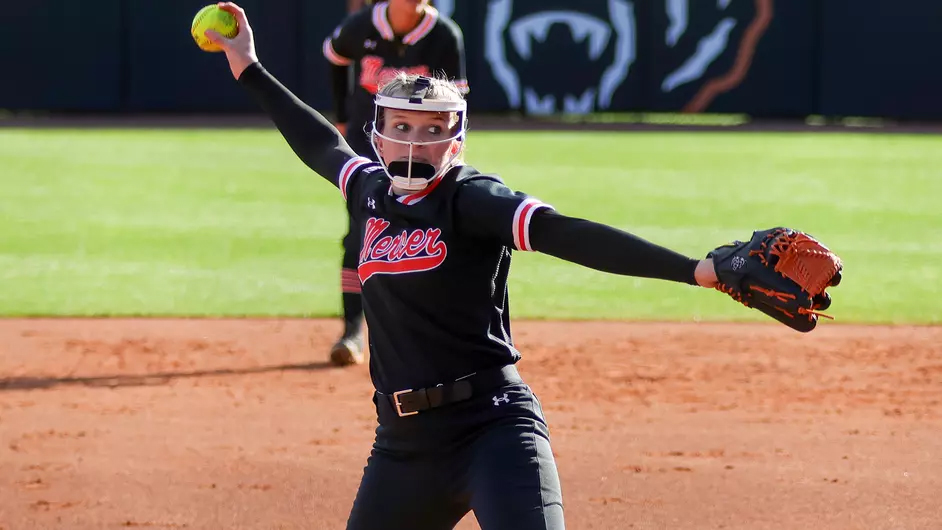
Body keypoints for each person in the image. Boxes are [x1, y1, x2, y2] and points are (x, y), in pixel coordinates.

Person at [204, 4, 721, 528]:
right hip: (402, 448)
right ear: (377, 134)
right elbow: (317, 141)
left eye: (431, 128)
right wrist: (248, 65)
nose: (413, 139)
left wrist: (696, 270)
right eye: (400, 125)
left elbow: (566, 234)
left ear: (455, 139)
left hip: (493, 430)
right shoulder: (368, 190)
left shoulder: (470, 197)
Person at [323, 0, 469, 366]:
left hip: (425, 152)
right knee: (360, 234)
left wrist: (451, 155)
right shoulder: (363, 26)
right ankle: (352, 331)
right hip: (367, 144)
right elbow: (335, 55)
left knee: (430, 236)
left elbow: (456, 103)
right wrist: (341, 116)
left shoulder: (443, 35)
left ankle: (426, 333)